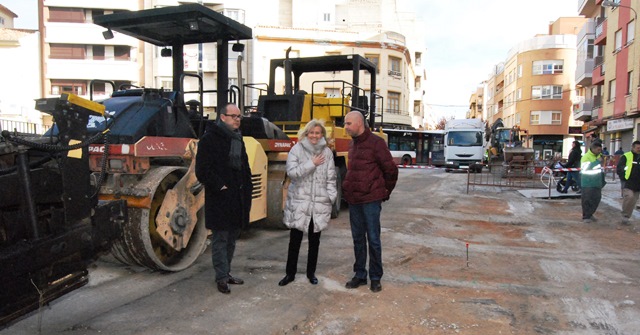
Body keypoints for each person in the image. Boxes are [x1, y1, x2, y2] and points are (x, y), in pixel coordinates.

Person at [195, 103, 253, 294]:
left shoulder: (237, 138)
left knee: (232, 239)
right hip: (221, 198)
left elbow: (244, 167)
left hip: (237, 197)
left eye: (239, 116)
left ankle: (226, 273)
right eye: (233, 116)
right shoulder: (209, 139)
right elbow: (202, 170)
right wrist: (221, 186)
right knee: (220, 239)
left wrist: (247, 187)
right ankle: (220, 277)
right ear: (222, 117)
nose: (237, 119)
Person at [342, 111, 398, 292]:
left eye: (348, 123)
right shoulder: (353, 144)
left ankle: (375, 277)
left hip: (371, 200)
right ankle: (360, 275)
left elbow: (391, 171)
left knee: (373, 239)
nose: (346, 127)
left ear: (359, 123)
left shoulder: (376, 143)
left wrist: (384, 191)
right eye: (345, 123)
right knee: (357, 239)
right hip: (354, 199)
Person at [278, 120, 337, 287]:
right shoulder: (296, 149)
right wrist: (312, 164)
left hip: (319, 203)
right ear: (306, 134)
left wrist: (330, 197)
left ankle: (311, 273)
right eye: (311, 133)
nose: (314, 136)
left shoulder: (327, 152)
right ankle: (290, 274)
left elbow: (331, 178)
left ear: (322, 135)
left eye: (318, 133)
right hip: (300, 202)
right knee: (295, 240)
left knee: (314, 241)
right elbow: (292, 172)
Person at [616, 141, 640, 225]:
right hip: (628, 182)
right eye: (637, 148)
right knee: (629, 197)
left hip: (638, 184)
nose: (639, 149)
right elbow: (619, 168)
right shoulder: (626, 156)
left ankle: (627, 216)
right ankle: (625, 216)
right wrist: (623, 178)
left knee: (633, 200)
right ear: (633, 147)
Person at [580, 141, 604, 223]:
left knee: (596, 199)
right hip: (587, 182)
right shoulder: (586, 157)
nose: (599, 151)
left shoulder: (599, 156)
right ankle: (586, 216)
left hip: (597, 182)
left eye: (600, 150)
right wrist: (597, 161)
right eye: (598, 150)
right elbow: (585, 168)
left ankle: (590, 214)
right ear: (593, 149)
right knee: (587, 199)